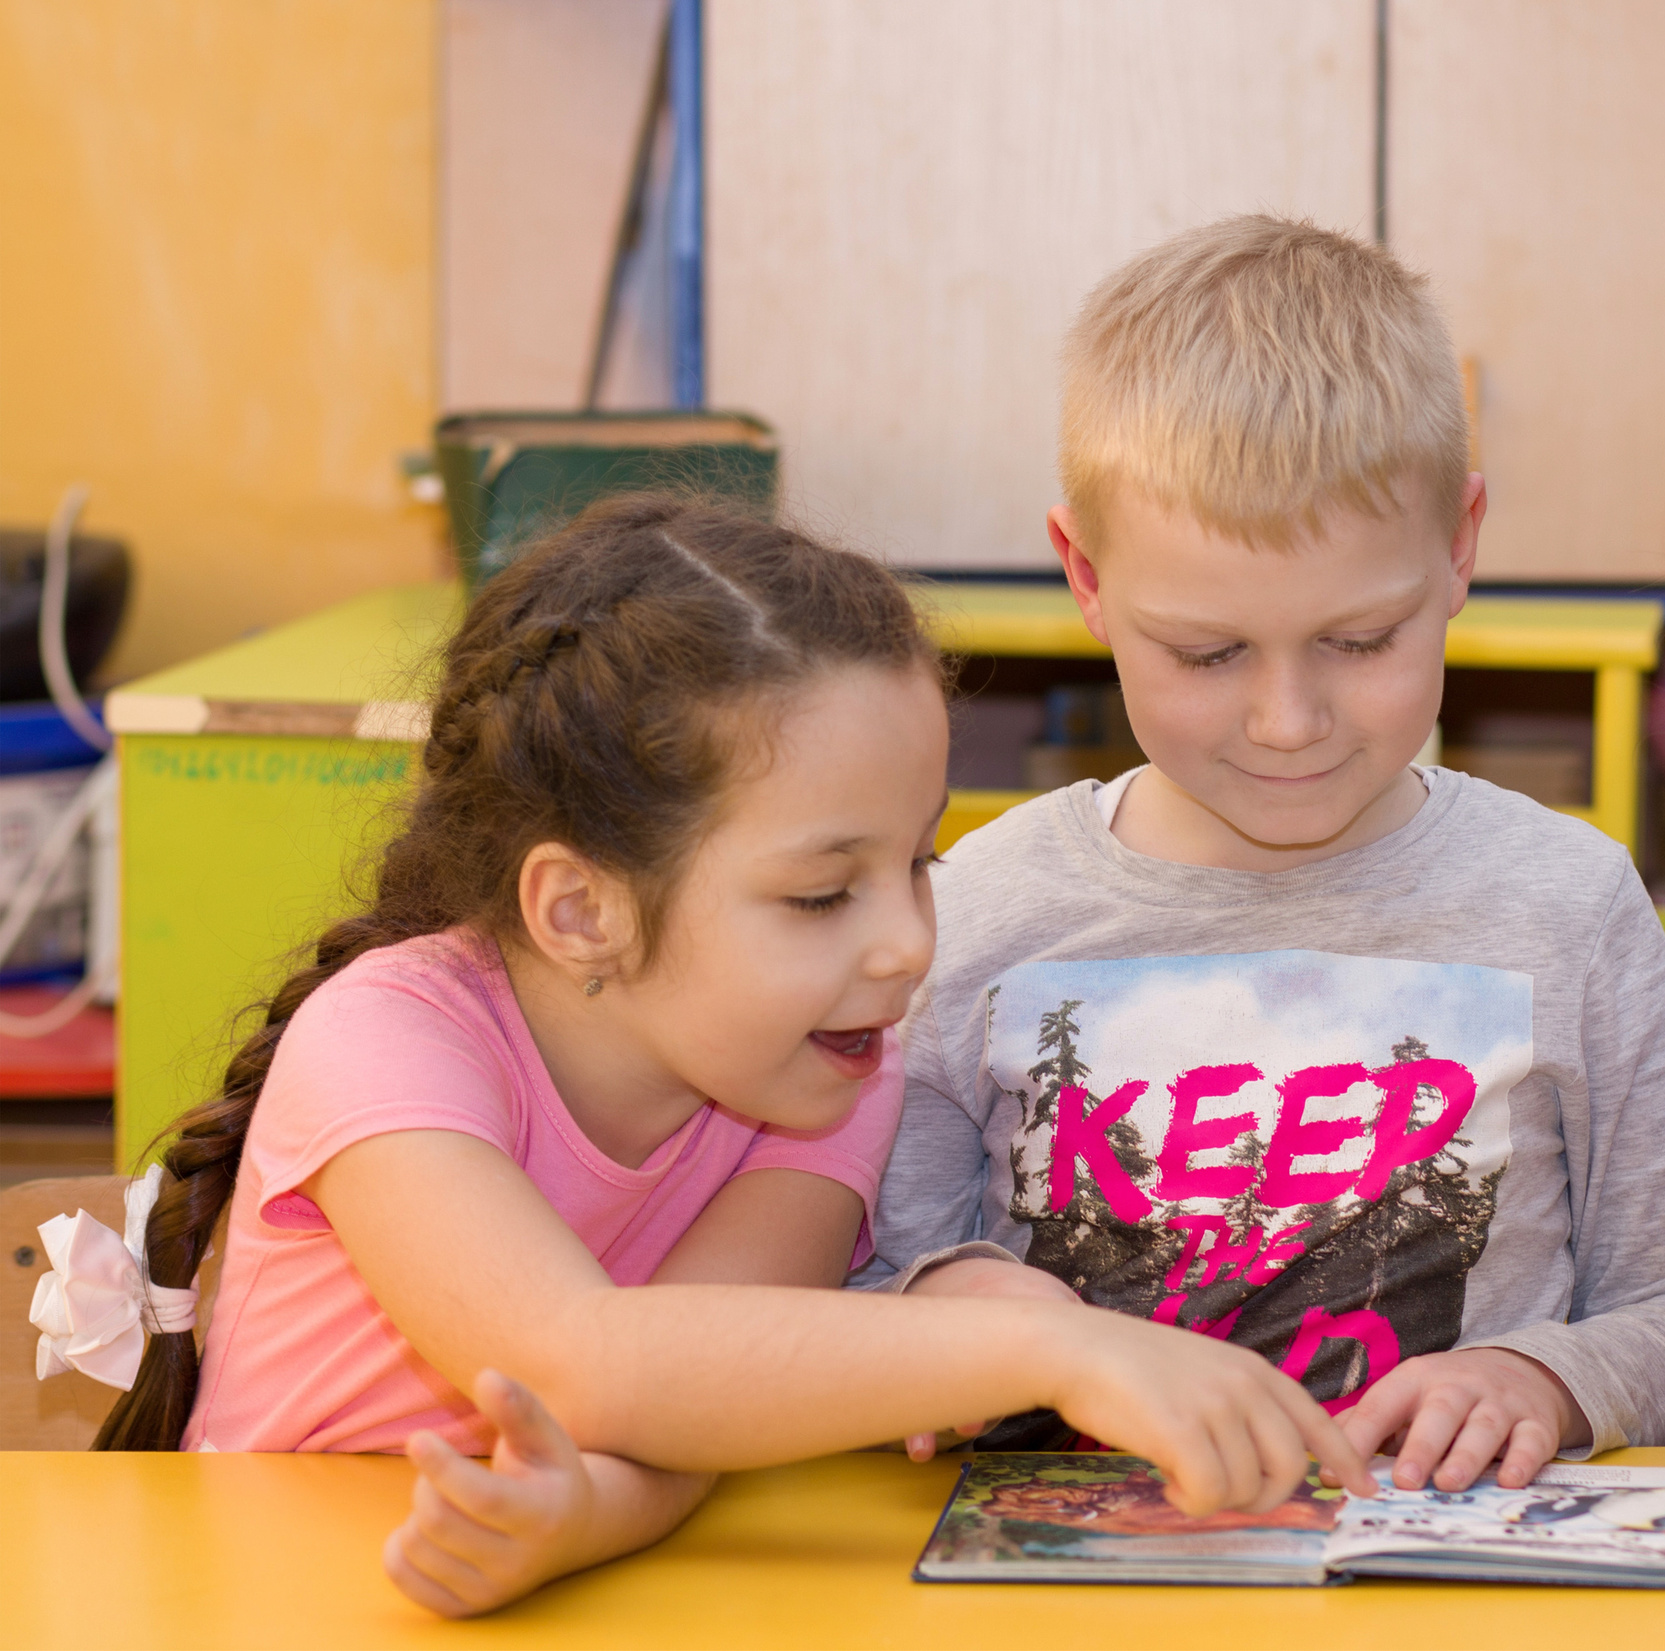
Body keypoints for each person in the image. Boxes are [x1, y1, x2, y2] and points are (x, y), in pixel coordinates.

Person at [82, 497, 1369, 1616]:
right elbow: (583, 1361)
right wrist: (1055, 1350)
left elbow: (699, 1409)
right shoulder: (389, 1035)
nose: (906, 944)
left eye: (917, 861)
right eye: (821, 895)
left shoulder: (828, 1071)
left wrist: (581, 1516)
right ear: (580, 908)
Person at [861, 215, 1665, 1493]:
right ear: (1085, 574)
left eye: (1359, 640)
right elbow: (856, 1299)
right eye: (1207, 652)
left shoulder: (1570, 902)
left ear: (1459, 547)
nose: (1287, 722)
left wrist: (1549, 1379)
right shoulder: (970, 915)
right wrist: (946, 1308)